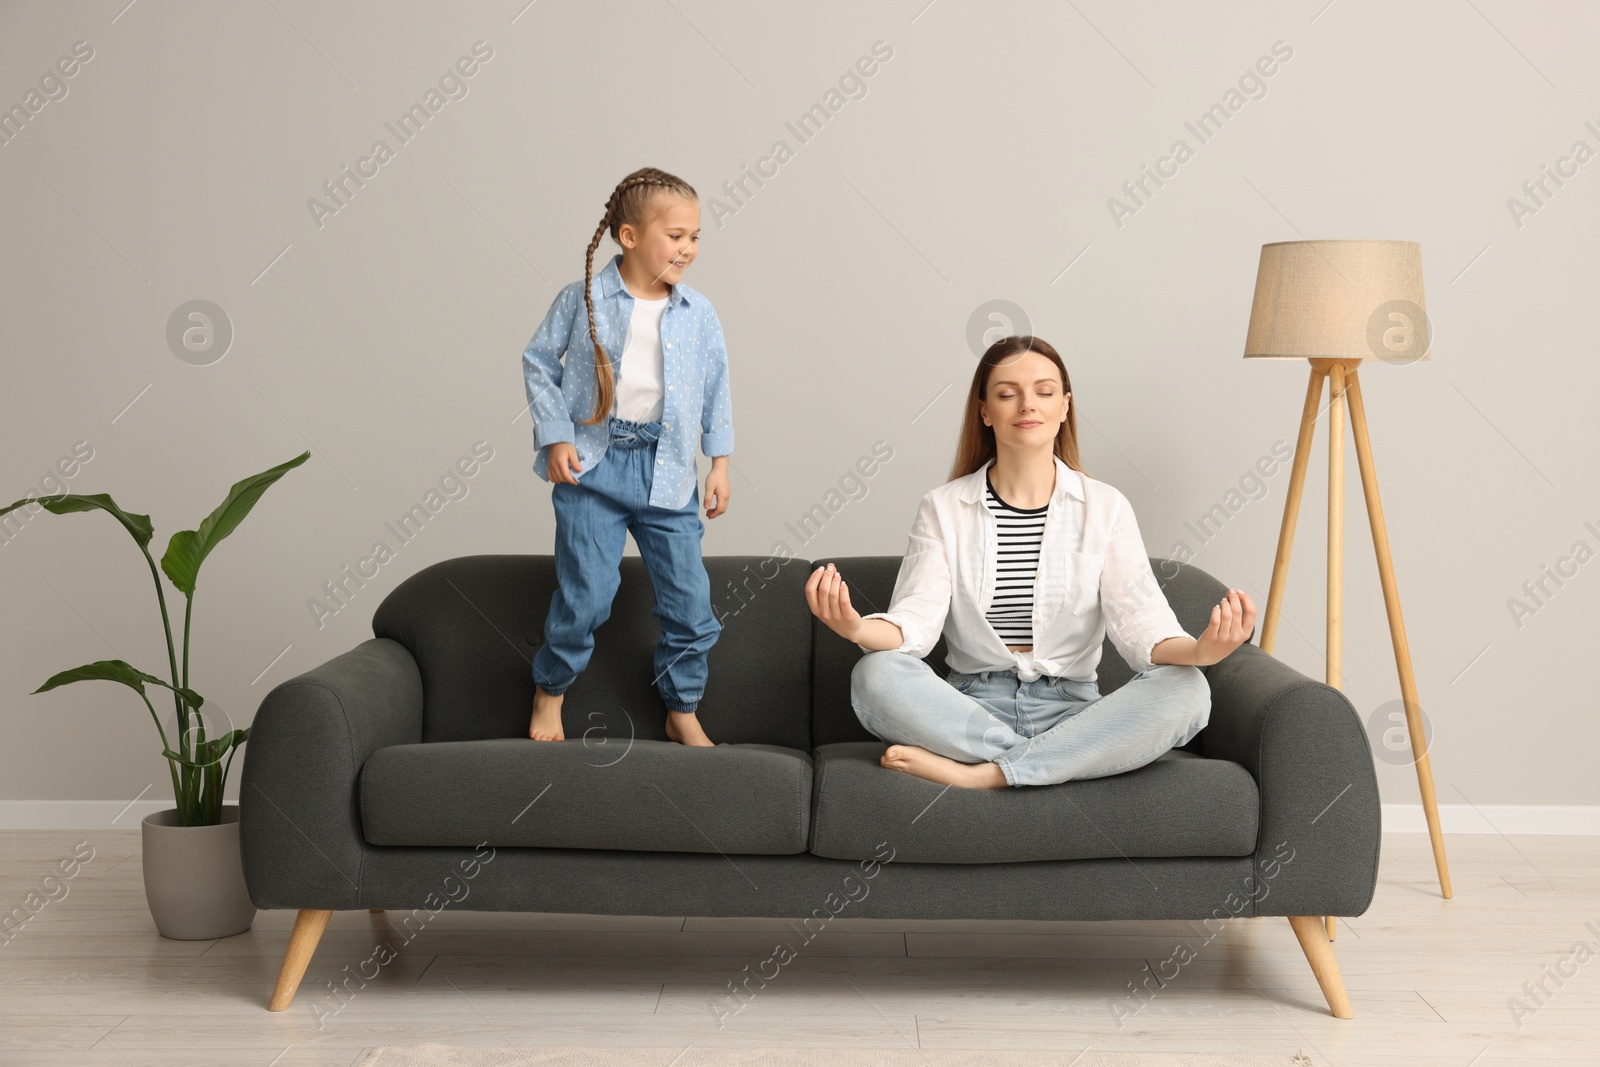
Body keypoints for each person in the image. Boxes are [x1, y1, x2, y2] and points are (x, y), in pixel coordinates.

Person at [804, 335, 1255, 788]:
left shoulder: (1106, 507)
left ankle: (988, 775)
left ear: (1064, 406)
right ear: (984, 411)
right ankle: (1058, 762)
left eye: (1044, 392)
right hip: (968, 710)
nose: (1027, 405)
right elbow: (914, 624)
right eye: (1007, 394)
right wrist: (856, 629)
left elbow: (1143, 627)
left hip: (1073, 709)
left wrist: (1201, 652)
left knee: (1188, 688)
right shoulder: (943, 507)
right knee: (875, 674)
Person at [522, 167, 734, 747]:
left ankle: (681, 706)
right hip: (593, 466)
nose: (688, 248)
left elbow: (716, 386)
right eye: (676, 235)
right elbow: (539, 361)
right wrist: (556, 434)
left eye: (695, 236)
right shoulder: (584, 297)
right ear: (630, 236)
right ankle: (551, 688)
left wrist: (718, 462)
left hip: (668, 472)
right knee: (587, 592)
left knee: (690, 605)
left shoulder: (699, 313)